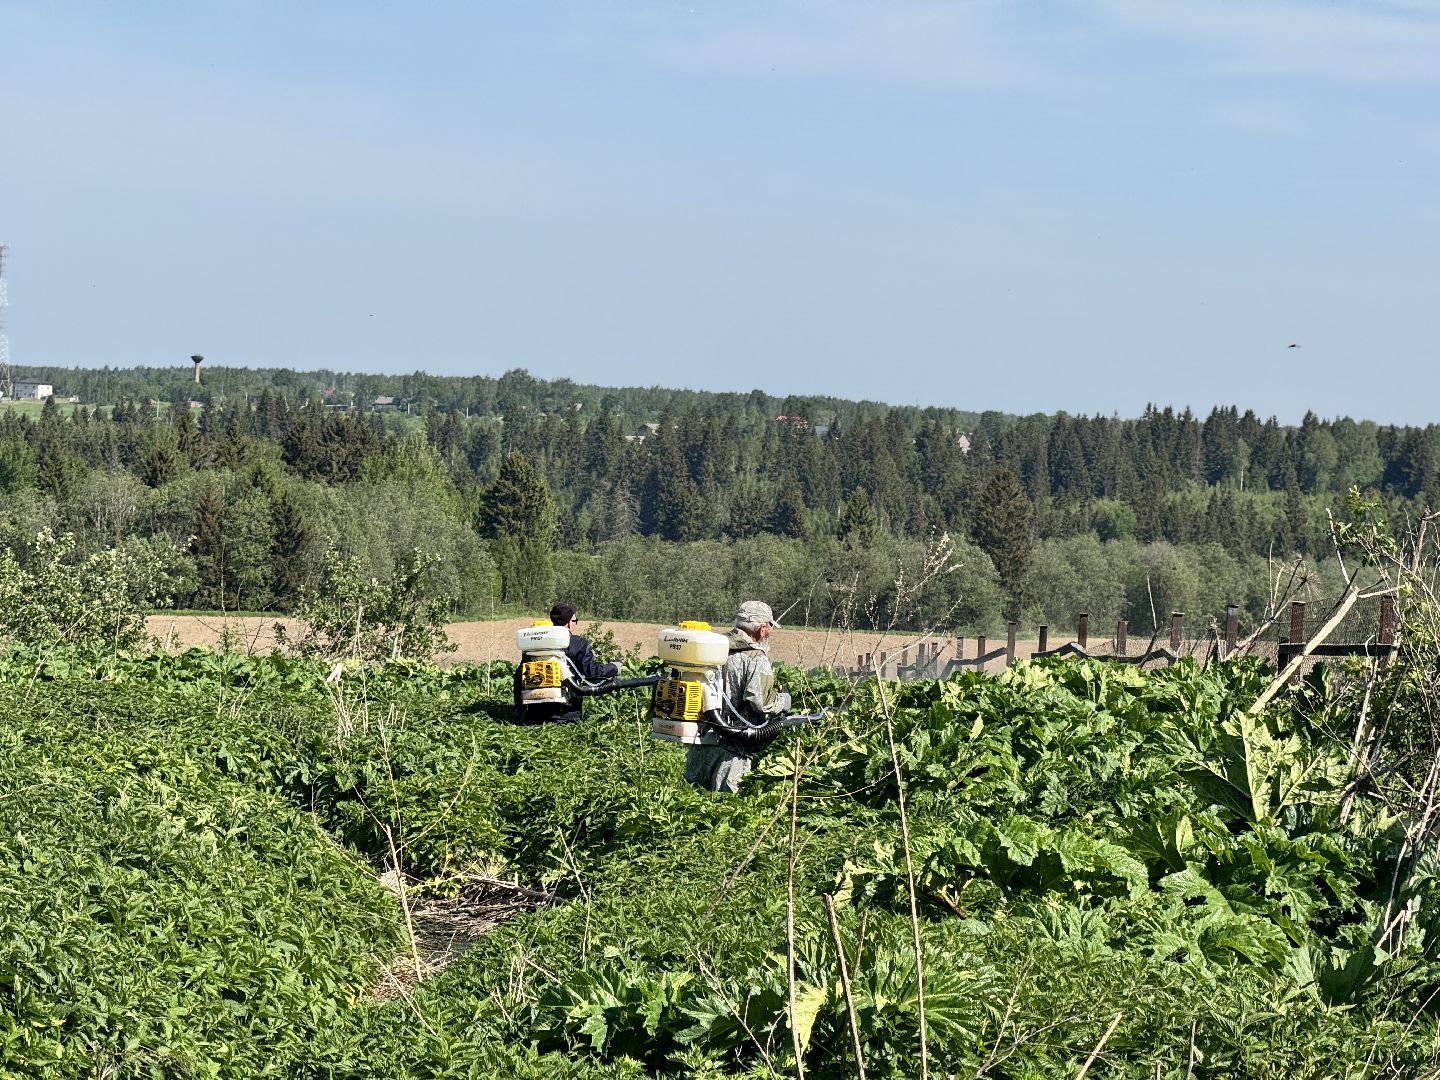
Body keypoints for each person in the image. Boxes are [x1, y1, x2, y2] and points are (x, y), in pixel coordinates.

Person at [684, 600, 792, 794]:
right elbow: (762, 703)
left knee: (690, 808)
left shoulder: (711, 648)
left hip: (700, 745)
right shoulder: (755, 657)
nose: (770, 633)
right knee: (728, 813)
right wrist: (784, 701)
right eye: (769, 627)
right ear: (761, 629)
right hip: (732, 750)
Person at [513, 603, 622, 724]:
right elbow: (593, 672)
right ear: (570, 623)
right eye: (575, 620)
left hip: (535, 716)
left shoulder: (532, 645)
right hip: (567, 717)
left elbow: (519, 678)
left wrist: (519, 710)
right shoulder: (578, 643)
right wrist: (614, 667)